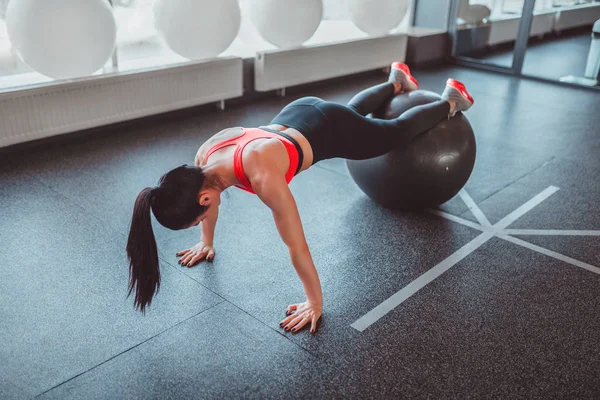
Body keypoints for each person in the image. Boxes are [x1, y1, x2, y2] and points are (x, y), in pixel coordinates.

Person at [126, 63, 474, 334]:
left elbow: (297, 246)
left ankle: (450, 100)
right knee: (351, 114)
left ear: (203, 198)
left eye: (200, 219)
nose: (204, 220)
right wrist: (207, 242)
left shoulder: (263, 177)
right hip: (301, 113)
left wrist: (314, 302)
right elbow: (207, 203)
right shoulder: (204, 159)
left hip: (329, 130)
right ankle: (397, 82)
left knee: (392, 133)